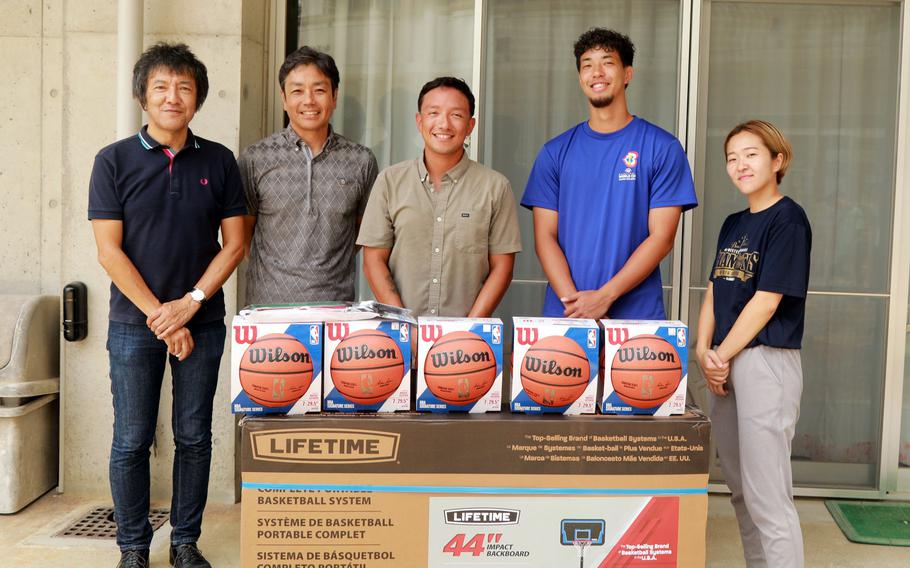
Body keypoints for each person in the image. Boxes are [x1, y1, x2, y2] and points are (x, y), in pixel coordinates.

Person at [89, 43, 246, 568]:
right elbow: (108, 251)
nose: (172, 96)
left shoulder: (219, 160)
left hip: (203, 321)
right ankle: (133, 548)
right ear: (142, 96)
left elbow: (236, 244)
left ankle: (184, 542)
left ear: (197, 98)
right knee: (131, 440)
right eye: (161, 86)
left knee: (194, 436)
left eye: (183, 87)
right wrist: (164, 315)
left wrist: (191, 304)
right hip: (135, 324)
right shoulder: (112, 160)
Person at [522, 28, 697, 319]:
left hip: (635, 319)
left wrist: (605, 297)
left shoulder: (662, 147)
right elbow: (544, 238)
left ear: (627, 74)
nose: (597, 72)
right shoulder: (554, 152)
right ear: (580, 78)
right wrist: (580, 307)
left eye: (607, 62)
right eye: (587, 65)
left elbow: (662, 237)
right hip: (567, 314)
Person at [696, 119, 810, 568]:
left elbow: (766, 302)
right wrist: (704, 352)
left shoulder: (789, 219)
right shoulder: (734, 223)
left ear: (777, 160)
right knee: (742, 492)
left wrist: (720, 356)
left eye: (751, 154)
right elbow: (714, 290)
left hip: (765, 361)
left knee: (768, 497)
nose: (740, 164)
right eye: (731, 157)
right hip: (724, 364)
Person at [357, 77, 521, 317]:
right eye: (434, 113)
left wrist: (467, 330)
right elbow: (373, 261)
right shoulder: (390, 181)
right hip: (399, 337)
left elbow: (502, 268)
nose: (444, 124)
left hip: (466, 343)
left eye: (456, 115)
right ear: (419, 121)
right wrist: (406, 326)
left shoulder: (495, 187)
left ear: (470, 126)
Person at [239, 46, 378, 305]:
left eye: (319, 90)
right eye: (297, 91)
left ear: (334, 96)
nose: (309, 101)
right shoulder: (255, 159)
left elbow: (360, 233)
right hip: (268, 310)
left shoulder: (361, 161)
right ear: (283, 98)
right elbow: (243, 238)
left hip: (336, 310)